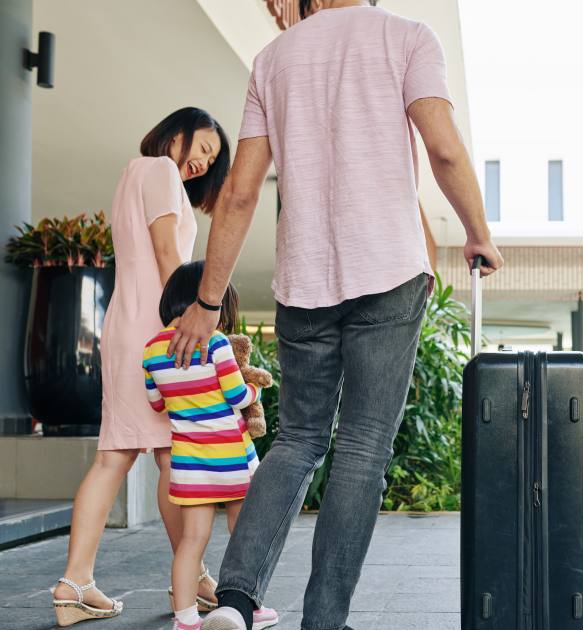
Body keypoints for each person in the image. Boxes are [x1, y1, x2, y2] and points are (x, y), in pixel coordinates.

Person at [169, 2, 504, 629]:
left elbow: (240, 193)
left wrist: (207, 302)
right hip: (387, 274)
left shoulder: (274, 59)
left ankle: (236, 600)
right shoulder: (406, 38)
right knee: (362, 449)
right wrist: (477, 232)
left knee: (296, 441)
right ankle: (324, 621)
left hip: (304, 282)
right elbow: (445, 152)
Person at [52, 108, 230, 627]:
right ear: (178, 133)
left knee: (115, 456)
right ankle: (193, 579)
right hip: (161, 327)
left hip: (126, 324)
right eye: (203, 148)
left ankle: (74, 584)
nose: (202, 162)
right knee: (174, 454)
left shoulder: (134, 172)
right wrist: (191, 319)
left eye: (212, 160)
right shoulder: (161, 171)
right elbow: (167, 253)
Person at [142, 261, 279, 630]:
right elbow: (236, 395)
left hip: (190, 463)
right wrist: (256, 389)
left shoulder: (151, 351)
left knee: (191, 541)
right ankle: (248, 605)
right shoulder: (216, 343)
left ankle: (185, 619)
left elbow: (157, 403)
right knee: (243, 535)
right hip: (231, 458)